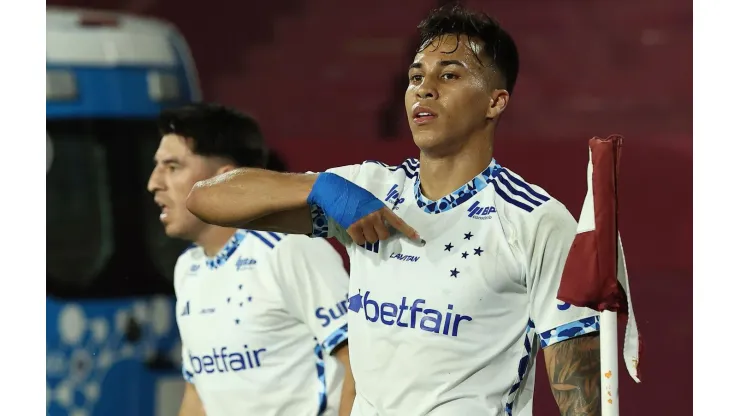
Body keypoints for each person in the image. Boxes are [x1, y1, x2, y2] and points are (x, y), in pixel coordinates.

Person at [185, 5, 601, 416]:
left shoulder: (534, 221)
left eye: (449, 75)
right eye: (416, 76)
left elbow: (578, 394)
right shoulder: (368, 190)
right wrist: (318, 185)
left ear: (495, 102)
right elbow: (205, 200)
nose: (425, 88)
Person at [147, 103, 355, 416]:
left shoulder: (289, 249)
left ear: (225, 181)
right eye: (157, 166)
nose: (154, 182)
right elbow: (198, 394)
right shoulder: (188, 268)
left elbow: (359, 364)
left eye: (172, 167)